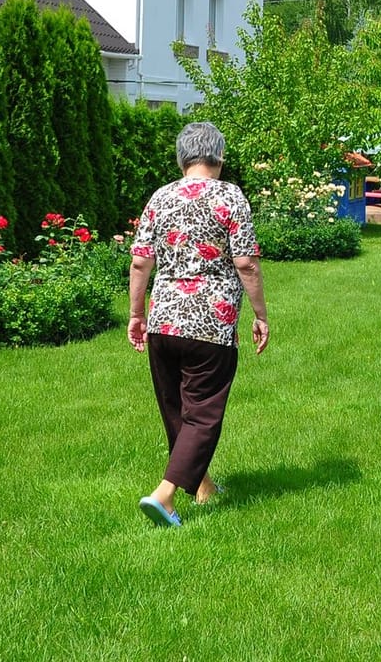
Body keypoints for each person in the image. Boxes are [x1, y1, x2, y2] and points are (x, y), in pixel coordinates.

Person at [127, 121, 270, 527]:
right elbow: (245, 262)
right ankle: (165, 496)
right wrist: (260, 315)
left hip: (164, 322)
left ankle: (202, 486)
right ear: (219, 157)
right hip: (212, 323)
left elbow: (140, 261)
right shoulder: (230, 196)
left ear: (182, 157)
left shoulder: (161, 196)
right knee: (203, 412)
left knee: (176, 408)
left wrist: (136, 315)